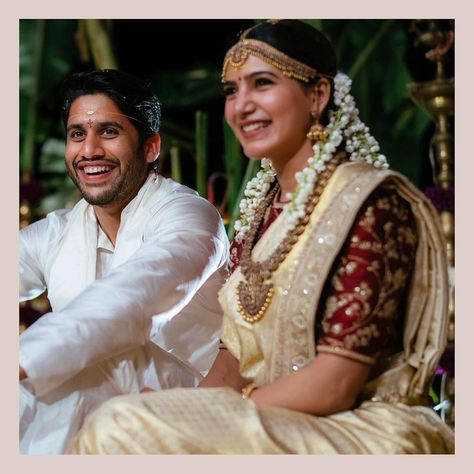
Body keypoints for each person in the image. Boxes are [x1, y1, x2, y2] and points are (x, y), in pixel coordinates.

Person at [69, 21, 454, 454]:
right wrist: (190, 405)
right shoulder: (261, 212)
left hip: (359, 425)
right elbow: (235, 358)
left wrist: (209, 412)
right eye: (232, 91)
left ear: (318, 95)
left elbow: (336, 385)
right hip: (271, 416)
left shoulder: (369, 204)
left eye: (262, 84)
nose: (241, 106)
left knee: (121, 427)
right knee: (123, 413)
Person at [19, 69, 229, 454]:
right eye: (77, 134)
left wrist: (23, 359)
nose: (89, 150)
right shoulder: (59, 231)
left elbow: (131, 301)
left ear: (150, 148)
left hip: (196, 402)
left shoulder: (189, 216)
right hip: (96, 406)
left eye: (109, 132)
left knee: (97, 362)